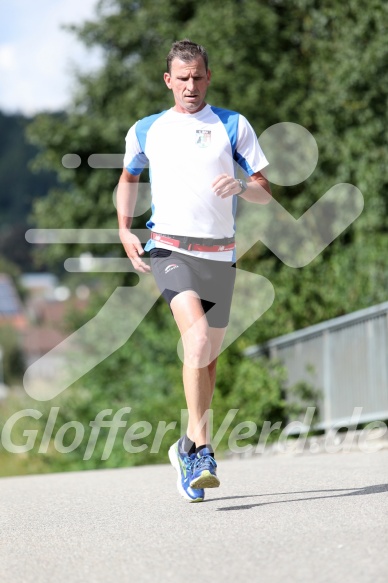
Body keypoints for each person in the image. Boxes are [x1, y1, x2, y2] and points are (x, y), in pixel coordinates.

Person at [118, 39, 271, 503]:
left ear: (208, 77)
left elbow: (265, 190)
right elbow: (128, 179)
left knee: (208, 362)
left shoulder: (232, 125)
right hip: (169, 249)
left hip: (220, 255)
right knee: (197, 340)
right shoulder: (146, 130)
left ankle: (185, 445)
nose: (190, 85)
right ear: (169, 80)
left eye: (198, 77)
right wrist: (125, 229)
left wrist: (243, 185)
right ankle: (203, 451)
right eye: (182, 78)